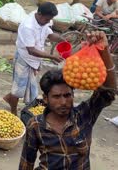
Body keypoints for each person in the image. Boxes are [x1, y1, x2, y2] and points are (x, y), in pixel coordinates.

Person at [19, 31, 116, 170]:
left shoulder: (84, 114)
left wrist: (104, 51)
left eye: (67, 95)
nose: (63, 102)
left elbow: (109, 91)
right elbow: (26, 163)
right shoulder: (35, 125)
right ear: (45, 99)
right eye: (56, 97)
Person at [3, 2, 64, 115]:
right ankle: (13, 112)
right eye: (46, 19)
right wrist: (52, 56)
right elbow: (31, 50)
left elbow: (50, 35)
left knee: (26, 85)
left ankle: (8, 98)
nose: (48, 22)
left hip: (35, 59)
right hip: (24, 58)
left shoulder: (43, 21)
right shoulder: (28, 26)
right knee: (18, 89)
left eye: (49, 20)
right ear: (39, 14)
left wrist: (63, 39)